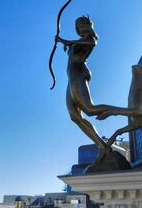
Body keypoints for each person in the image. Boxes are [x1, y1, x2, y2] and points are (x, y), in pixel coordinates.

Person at [55, 16, 132, 162]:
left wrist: (62, 41)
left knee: (89, 109)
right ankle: (101, 146)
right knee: (75, 116)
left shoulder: (91, 40)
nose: (77, 28)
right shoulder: (76, 42)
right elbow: (73, 45)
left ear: (86, 25)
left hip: (78, 74)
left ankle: (125, 111)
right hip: (71, 78)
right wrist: (66, 45)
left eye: (79, 24)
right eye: (76, 25)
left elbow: (79, 43)